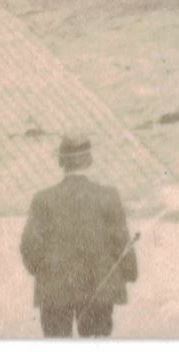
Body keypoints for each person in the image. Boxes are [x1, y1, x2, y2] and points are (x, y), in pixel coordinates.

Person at [19, 133, 135, 338]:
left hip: (54, 289)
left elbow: (29, 245)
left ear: (61, 162)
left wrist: (41, 270)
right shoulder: (108, 196)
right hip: (98, 284)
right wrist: (129, 272)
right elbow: (121, 241)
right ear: (89, 161)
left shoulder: (43, 199)